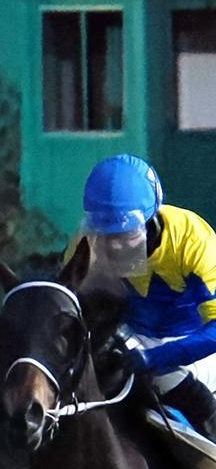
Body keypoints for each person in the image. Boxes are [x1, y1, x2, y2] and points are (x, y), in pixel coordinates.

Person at [80, 154, 216, 436]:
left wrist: (155, 357)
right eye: (106, 235)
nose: (115, 247)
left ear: (151, 221)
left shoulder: (192, 240)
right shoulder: (86, 244)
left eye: (126, 234)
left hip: (196, 346)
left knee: (186, 392)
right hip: (131, 338)